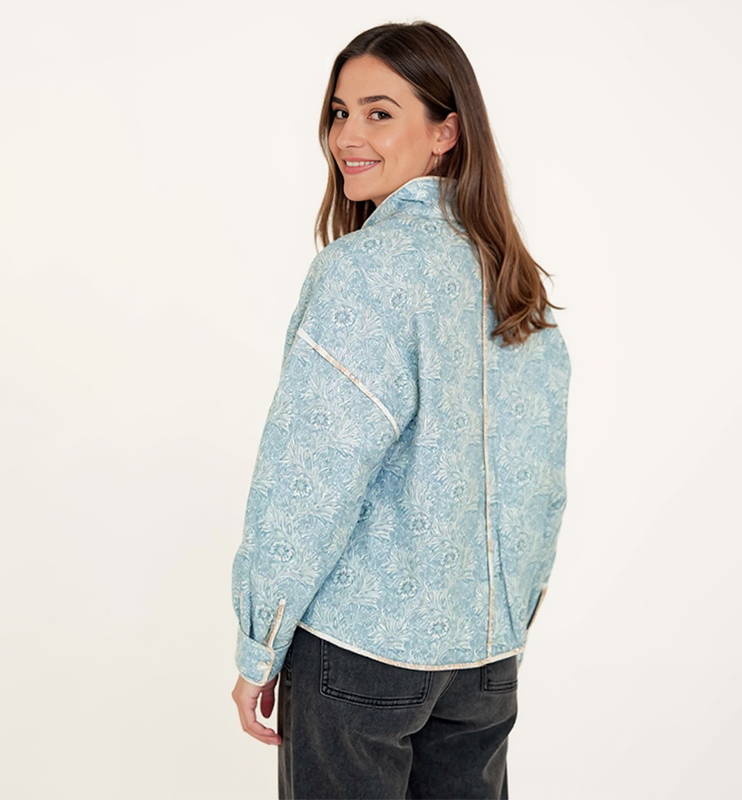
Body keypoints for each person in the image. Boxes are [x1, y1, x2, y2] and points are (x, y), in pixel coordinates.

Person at [230, 20, 571, 800]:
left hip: (360, 656)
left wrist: (260, 642)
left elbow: (307, 481)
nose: (348, 136)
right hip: (484, 661)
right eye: (339, 112)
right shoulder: (515, 283)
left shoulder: (363, 270)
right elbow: (540, 486)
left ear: (446, 132)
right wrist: (507, 620)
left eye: (379, 113)